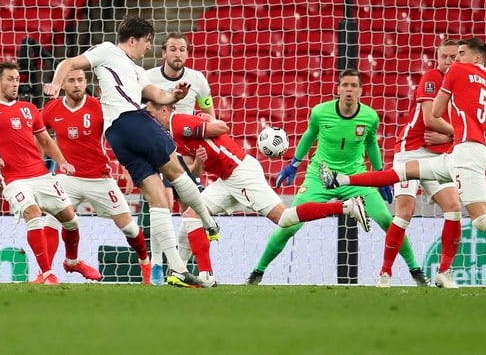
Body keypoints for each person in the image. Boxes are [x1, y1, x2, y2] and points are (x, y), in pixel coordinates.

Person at [320, 38, 486, 287]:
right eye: (447, 56)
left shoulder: (456, 72)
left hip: (461, 154)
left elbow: (434, 113)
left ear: (476, 58)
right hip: (430, 150)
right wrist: (451, 133)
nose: (453, 60)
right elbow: (449, 119)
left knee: (480, 219)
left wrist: (448, 132)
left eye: (459, 54)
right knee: (401, 177)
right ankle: (341, 180)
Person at [44, 15, 218, 288]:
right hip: (132, 120)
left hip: (117, 135)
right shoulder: (107, 51)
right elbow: (68, 62)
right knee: (176, 170)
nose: (148, 48)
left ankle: (176, 268)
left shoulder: (135, 71)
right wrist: (56, 82)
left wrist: (177, 95)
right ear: (134, 40)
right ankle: (209, 221)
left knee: (158, 198)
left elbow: (159, 96)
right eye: (148, 42)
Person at [145, 100, 369, 284]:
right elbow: (195, 168)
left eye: (150, 111)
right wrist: (200, 162)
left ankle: (347, 206)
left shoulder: (178, 124)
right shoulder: (171, 134)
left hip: (241, 173)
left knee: (284, 219)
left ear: (164, 109)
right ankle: (190, 275)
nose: (148, 117)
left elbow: (222, 128)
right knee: (191, 217)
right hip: (226, 178)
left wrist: (210, 121)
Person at [246, 68, 430, 287]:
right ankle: (257, 272)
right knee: (290, 224)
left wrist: (380, 175)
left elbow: (371, 144)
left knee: (386, 220)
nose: (349, 90)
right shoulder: (320, 112)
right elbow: (309, 134)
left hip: (356, 177)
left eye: (353, 86)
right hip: (320, 176)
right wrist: (294, 164)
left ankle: (416, 271)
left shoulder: (370, 117)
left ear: (361, 90)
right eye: (345, 85)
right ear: (338, 88)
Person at [0, 60, 101, 285]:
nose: (15, 84)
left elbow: (45, 139)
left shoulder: (29, 109)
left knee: (72, 221)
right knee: (33, 216)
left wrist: (62, 161)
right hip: (14, 180)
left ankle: (72, 262)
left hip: (41, 175)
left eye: (17, 80)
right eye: (10, 79)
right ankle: (47, 273)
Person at [41, 67, 152, 284]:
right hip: (67, 177)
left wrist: (125, 168)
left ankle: (145, 265)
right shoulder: (51, 109)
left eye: (80, 80)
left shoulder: (98, 108)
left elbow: (118, 138)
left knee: (129, 227)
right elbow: (38, 134)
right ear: (62, 85)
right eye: (71, 80)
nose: (77, 85)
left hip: (99, 177)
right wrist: (39, 165)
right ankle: (47, 273)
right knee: (52, 220)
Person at [377, 39, 463, 288]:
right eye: (443, 57)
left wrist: (448, 136)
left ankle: (444, 272)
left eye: (453, 57)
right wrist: (456, 135)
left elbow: (451, 127)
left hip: (437, 155)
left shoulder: (461, 86)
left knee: (454, 207)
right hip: (411, 151)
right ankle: (385, 274)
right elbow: (430, 119)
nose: (448, 62)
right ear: (437, 59)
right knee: (405, 212)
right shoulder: (432, 77)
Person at [145, 32, 215, 285]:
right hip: (156, 150)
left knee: (192, 211)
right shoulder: (148, 79)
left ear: (187, 53)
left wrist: (202, 151)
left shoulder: (198, 80)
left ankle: (184, 268)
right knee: (161, 203)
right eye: (173, 49)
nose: (178, 54)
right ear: (163, 53)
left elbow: (209, 115)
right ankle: (155, 266)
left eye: (182, 49)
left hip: (185, 153)